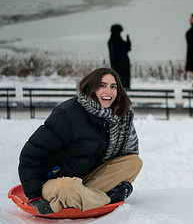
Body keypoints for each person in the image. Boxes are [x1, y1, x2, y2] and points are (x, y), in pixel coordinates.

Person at [18, 68, 143, 216]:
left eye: (113, 86)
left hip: (86, 179)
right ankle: (109, 198)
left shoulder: (116, 118)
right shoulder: (67, 115)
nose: (108, 92)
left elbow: (120, 158)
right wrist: (35, 196)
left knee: (133, 162)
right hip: (55, 182)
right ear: (91, 87)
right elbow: (29, 155)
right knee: (68, 188)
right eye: (102, 86)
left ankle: (86, 197)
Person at [108, 24, 131, 89]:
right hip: (121, 65)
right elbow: (125, 49)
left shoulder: (113, 41)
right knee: (122, 83)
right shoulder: (116, 41)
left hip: (118, 65)